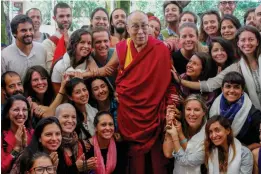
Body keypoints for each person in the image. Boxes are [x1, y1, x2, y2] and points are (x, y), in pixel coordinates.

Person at [88, 10, 177, 174]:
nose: (141, 31)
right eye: (135, 27)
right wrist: (84, 73)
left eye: (145, 26)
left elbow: (167, 81)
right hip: (130, 113)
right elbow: (107, 69)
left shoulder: (161, 49)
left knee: (156, 163)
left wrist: (171, 106)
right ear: (128, 28)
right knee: (134, 162)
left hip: (154, 113)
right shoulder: (122, 48)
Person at [171, 25, 261, 110]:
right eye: (243, 40)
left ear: (257, 41)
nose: (247, 43)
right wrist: (181, 81)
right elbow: (209, 85)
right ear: (238, 43)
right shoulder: (236, 67)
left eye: (251, 39)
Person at [209, 72, 261, 149]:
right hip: (216, 150)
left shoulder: (253, 114)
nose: (232, 90)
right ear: (222, 89)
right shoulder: (214, 107)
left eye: (236, 87)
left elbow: (258, 142)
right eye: (228, 86)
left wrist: (246, 149)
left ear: (242, 90)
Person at [163, 94, 207, 174]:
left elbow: (190, 158)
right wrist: (169, 123)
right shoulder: (180, 125)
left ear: (204, 112)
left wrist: (178, 135)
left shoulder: (209, 131)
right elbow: (168, 153)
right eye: (188, 109)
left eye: (196, 110)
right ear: (184, 111)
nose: (192, 114)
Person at [1, 14, 47, 78]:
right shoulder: (5, 55)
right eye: (23, 30)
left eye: (30, 29)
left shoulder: (42, 49)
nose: (28, 33)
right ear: (14, 33)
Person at [55, 103, 97, 173]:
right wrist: (76, 168)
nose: (70, 120)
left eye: (73, 117)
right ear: (56, 119)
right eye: (65, 116)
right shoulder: (53, 144)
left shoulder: (80, 143)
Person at [51, 29, 94, 93]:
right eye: (82, 42)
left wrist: (84, 74)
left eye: (89, 43)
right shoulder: (60, 66)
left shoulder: (89, 62)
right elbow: (57, 93)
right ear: (73, 43)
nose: (86, 46)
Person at [1, 95, 34, 174]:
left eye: (24, 110)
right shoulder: (2, 137)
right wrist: (16, 148)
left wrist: (25, 146)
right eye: (16, 110)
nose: (21, 113)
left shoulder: (33, 134)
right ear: (7, 114)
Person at [42, 2, 72, 70]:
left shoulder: (77, 37)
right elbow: (51, 69)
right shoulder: (47, 43)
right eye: (61, 16)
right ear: (54, 18)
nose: (65, 19)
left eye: (68, 16)